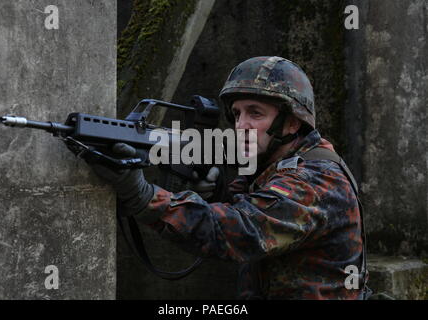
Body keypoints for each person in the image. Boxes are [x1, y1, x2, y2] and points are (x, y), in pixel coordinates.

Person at [74, 56, 368, 300]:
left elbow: (242, 231)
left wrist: (144, 197)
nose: (241, 125)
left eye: (255, 113)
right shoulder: (276, 165)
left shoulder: (314, 180)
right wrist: (218, 195)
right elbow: (253, 207)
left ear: (291, 122)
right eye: (237, 114)